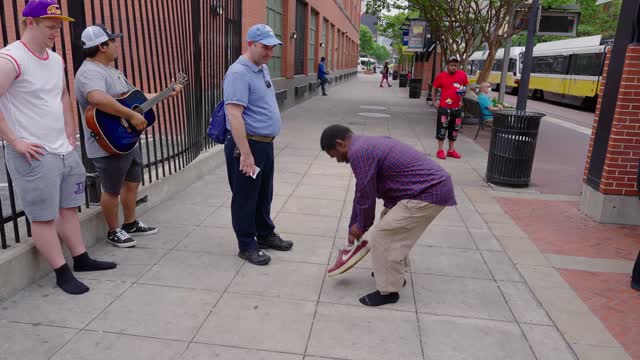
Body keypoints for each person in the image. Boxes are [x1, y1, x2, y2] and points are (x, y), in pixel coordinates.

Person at [0, 0, 117, 295]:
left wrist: (70, 131)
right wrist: (15, 141)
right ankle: (61, 272)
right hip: (34, 153)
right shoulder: (10, 59)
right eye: (50, 26)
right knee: (43, 216)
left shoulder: (55, 60)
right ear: (30, 23)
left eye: (58, 26)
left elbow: (63, 94)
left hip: (63, 149)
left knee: (68, 208)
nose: (56, 32)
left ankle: (81, 259)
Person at [320, 125, 457, 306]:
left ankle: (389, 291)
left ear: (340, 144)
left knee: (384, 235)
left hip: (428, 191)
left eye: (334, 155)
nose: (338, 161)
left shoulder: (359, 153)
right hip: (425, 188)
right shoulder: (365, 145)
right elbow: (361, 191)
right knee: (390, 223)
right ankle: (393, 275)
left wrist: (360, 226)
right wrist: (355, 224)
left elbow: (366, 196)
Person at [74, 24, 182, 248]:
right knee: (112, 189)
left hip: (126, 139)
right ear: (102, 46)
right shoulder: (89, 72)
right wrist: (130, 117)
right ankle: (114, 231)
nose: (116, 45)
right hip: (108, 142)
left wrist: (165, 92)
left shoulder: (113, 71)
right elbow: (97, 98)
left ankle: (130, 223)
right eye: (113, 41)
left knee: (132, 181)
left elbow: (134, 99)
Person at [223, 24, 293, 266]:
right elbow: (234, 114)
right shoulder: (238, 73)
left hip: (264, 144)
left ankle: (264, 234)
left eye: (272, 48)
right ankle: (247, 244)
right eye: (264, 47)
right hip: (248, 144)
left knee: (264, 193)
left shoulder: (260, 68)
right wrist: (245, 153)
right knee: (246, 196)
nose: (269, 53)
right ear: (250, 44)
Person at [431, 56, 468, 160]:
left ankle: (451, 150)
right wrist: (434, 101)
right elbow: (434, 88)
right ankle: (440, 150)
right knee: (442, 129)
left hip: (457, 108)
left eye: (456, 65)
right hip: (444, 108)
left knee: (454, 130)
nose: (454, 67)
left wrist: (463, 95)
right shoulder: (441, 76)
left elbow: (465, 86)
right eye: (452, 65)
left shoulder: (462, 75)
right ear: (447, 65)